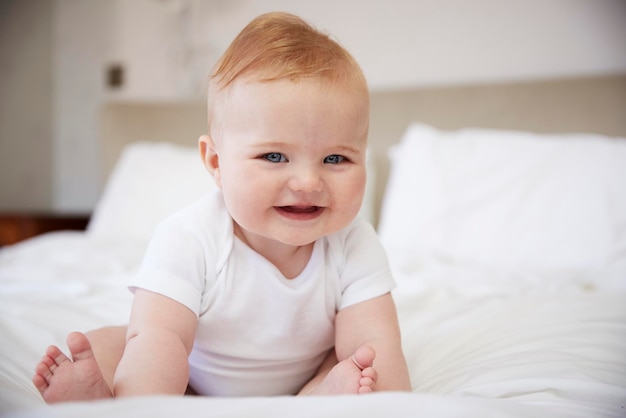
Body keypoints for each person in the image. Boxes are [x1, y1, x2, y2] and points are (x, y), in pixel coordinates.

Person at [33, 11, 411, 402]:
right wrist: (144, 403)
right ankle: (102, 399)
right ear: (216, 162)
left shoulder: (354, 244)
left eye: (335, 159)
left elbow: (375, 341)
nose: (308, 183)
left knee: (353, 362)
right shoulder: (189, 236)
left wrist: (387, 392)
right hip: (192, 379)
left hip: (304, 379)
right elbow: (162, 337)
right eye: (274, 156)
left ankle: (317, 398)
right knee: (123, 342)